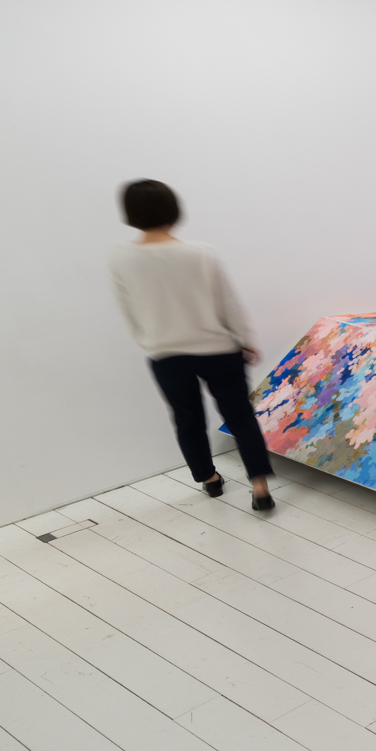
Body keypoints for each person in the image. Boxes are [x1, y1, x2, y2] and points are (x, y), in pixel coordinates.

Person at [108, 179, 277, 512]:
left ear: (130, 213)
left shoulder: (120, 259)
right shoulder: (200, 253)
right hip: (219, 351)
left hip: (167, 355)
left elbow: (130, 312)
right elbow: (227, 302)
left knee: (187, 419)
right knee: (240, 417)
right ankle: (260, 488)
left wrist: (152, 343)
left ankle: (209, 479)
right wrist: (245, 339)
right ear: (173, 210)